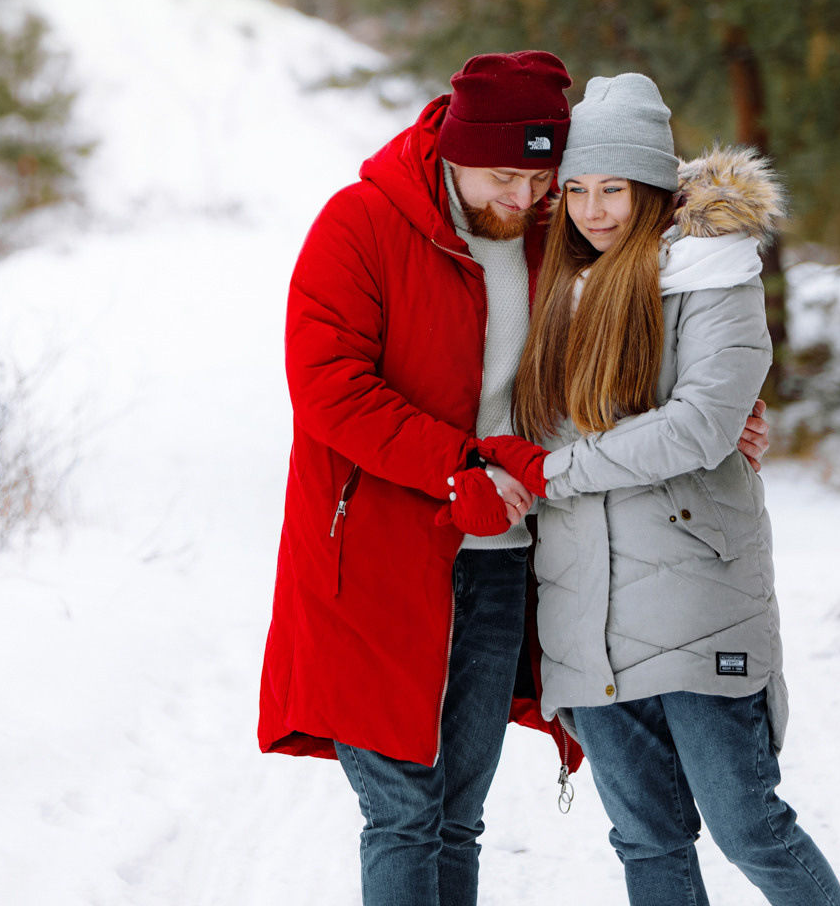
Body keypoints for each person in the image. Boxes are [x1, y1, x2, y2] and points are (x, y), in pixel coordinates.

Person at [258, 54, 770, 906]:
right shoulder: (362, 225)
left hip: (506, 557)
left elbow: (653, 296)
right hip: (384, 556)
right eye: (504, 176)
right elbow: (327, 386)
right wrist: (452, 466)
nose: (524, 197)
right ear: (453, 151)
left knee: (459, 811)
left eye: (543, 178)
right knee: (402, 809)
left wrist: (723, 409)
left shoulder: (551, 235)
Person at [470, 73, 840, 906]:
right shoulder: (555, 293)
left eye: (614, 188)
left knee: (749, 823)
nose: (595, 210)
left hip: (693, 596)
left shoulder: (711, 274)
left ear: (652, 186)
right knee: (646, 843)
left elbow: (700, 425)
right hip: (583, 611)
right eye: (575, 190)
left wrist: (552, 473)